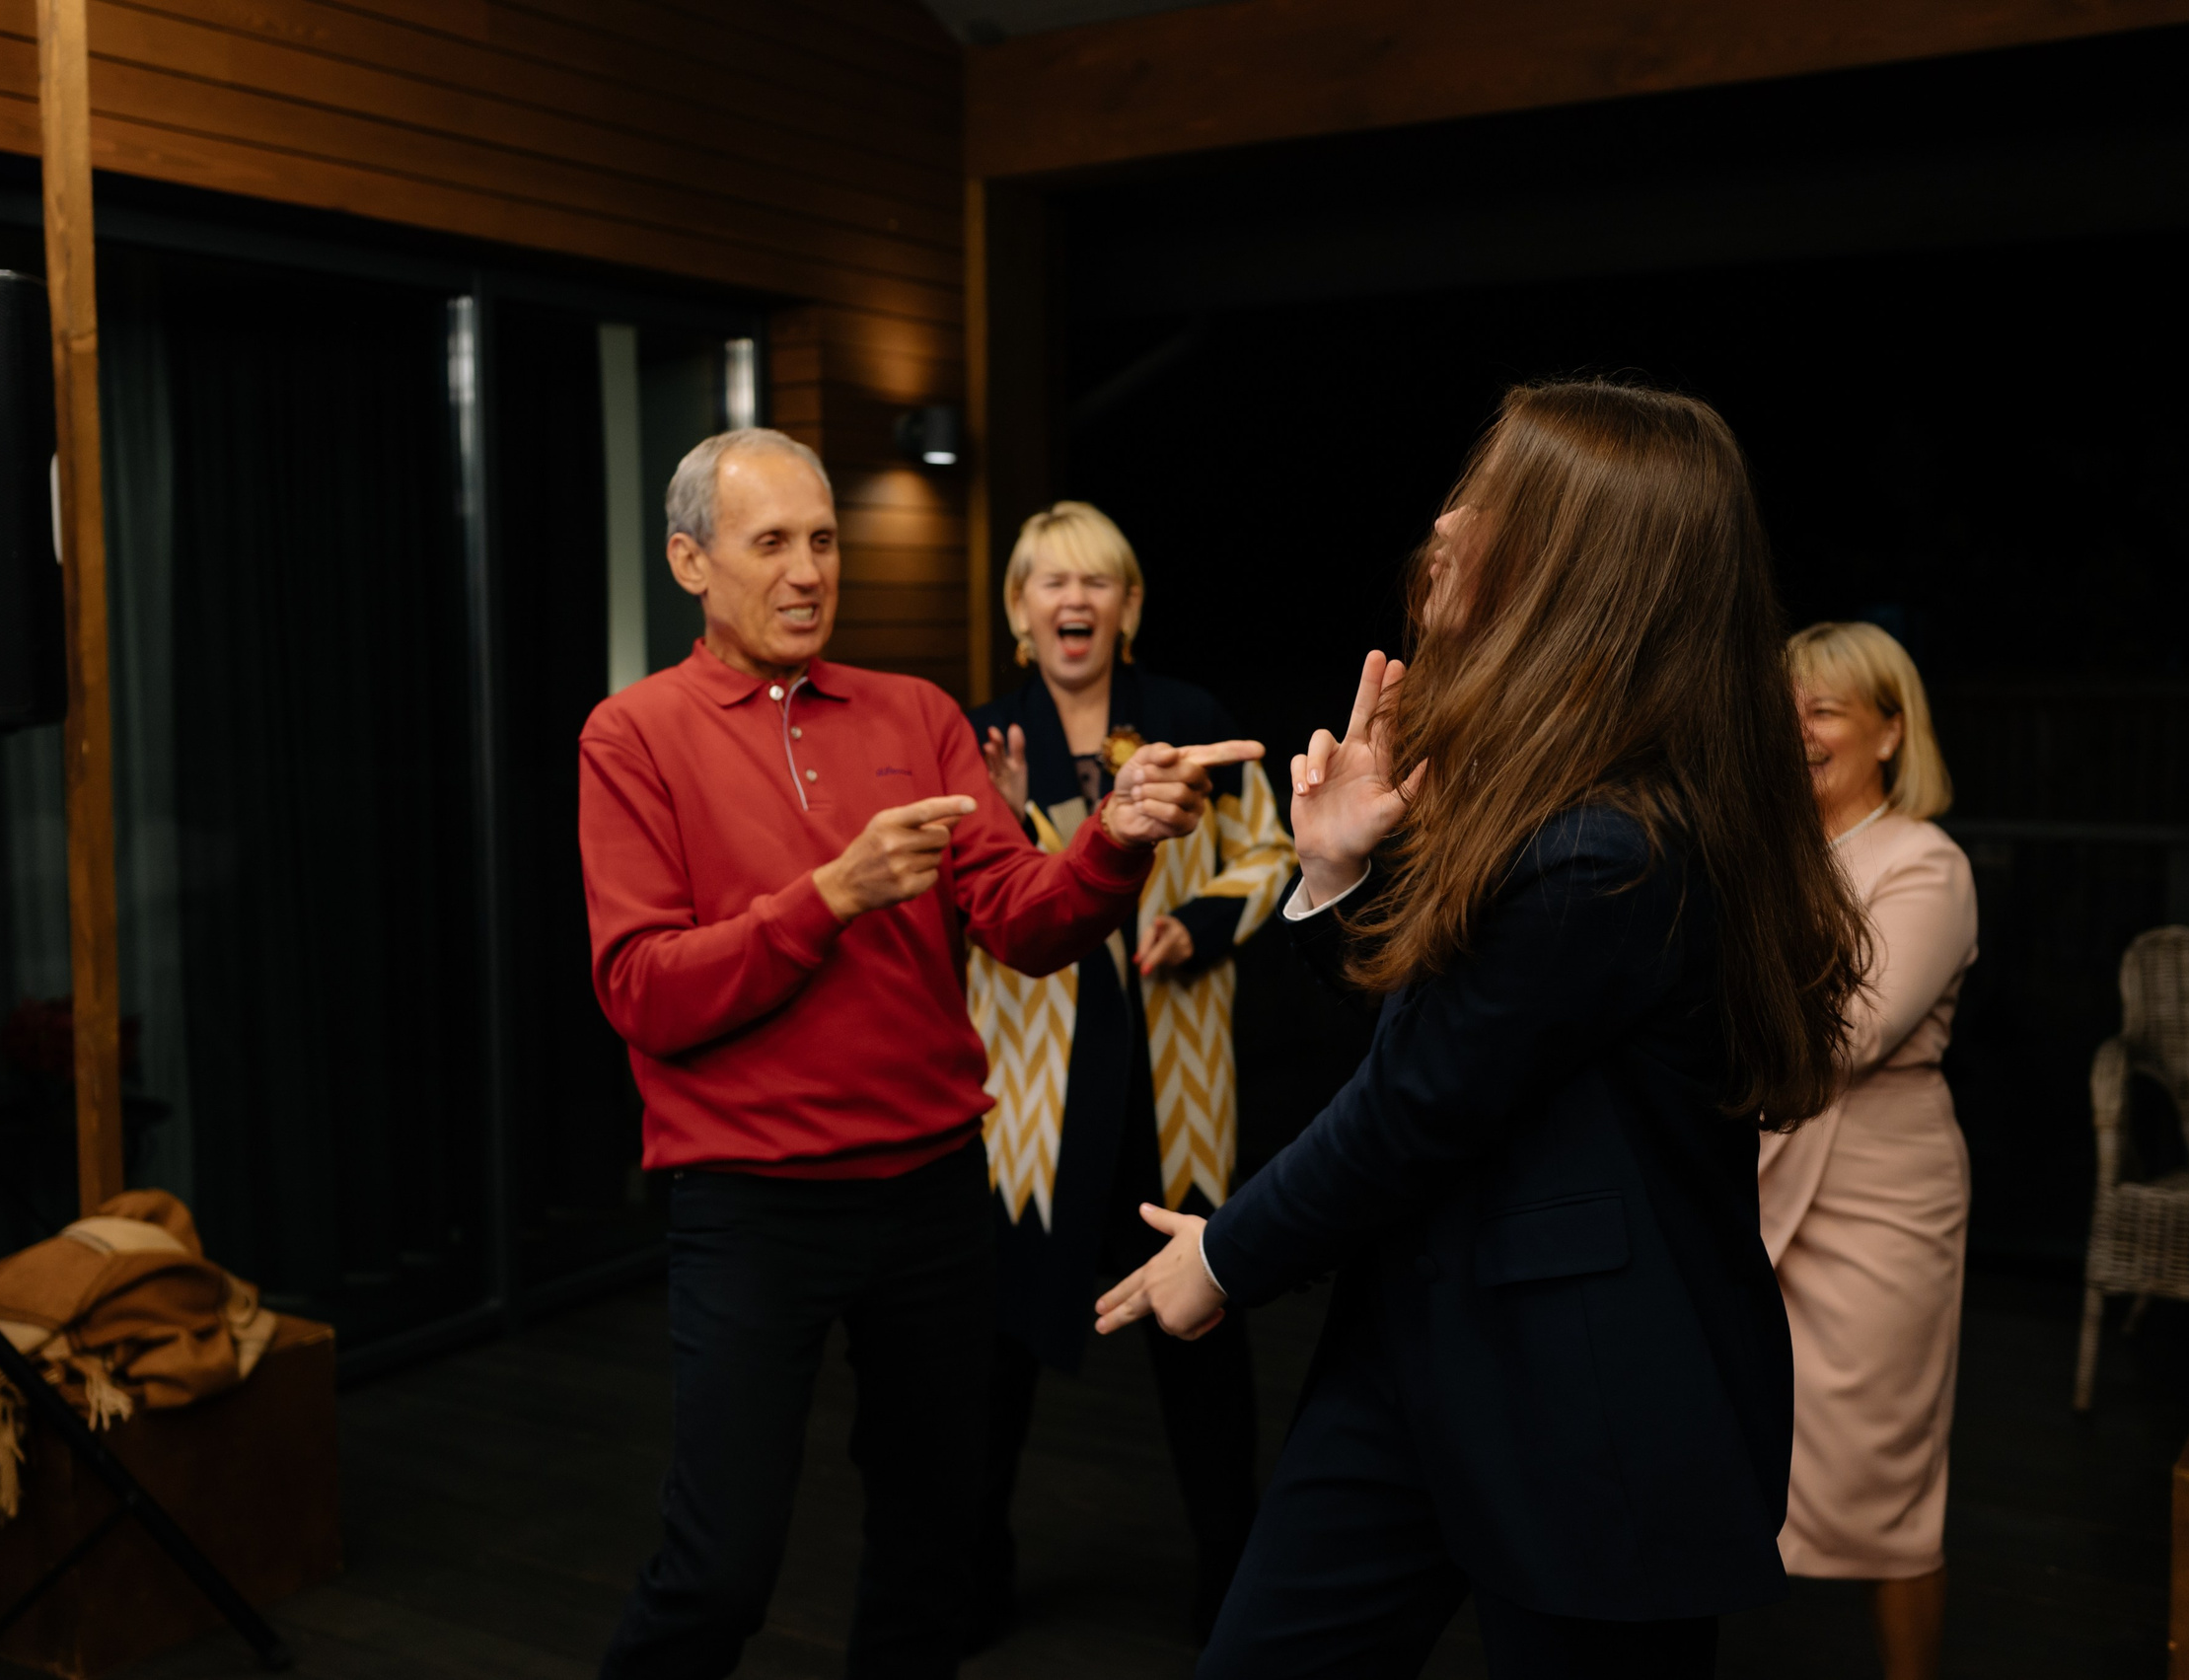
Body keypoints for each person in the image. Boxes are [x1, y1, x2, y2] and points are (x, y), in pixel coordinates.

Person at [1093, 380, 1871, 1678]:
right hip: (1416, 1353)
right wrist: (1344, 864)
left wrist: (1224, 1255)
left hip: (1590, 1401)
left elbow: (1417, 1105)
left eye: (1495, 498)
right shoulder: (1547, 800)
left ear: (1585, 562)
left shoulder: (1612, 847)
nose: (1449, 516)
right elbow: (1426, 1043)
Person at [576, 427, 1258, 1680]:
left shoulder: (916, 713)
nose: (805, 570)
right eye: (769, 541)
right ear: (689, 561)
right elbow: (642, 992)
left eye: (823, 540)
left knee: (932, 1550)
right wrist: (826, 895)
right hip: (754, 1202)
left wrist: (1115, 837)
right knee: (718, 1570)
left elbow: (1029, 922)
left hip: (938, 1196)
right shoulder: (633, 735)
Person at [962, 502, 1297, 1644]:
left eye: (1097, 581)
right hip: (1033, 1113)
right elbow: (967, 904)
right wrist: (1008, 826)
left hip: (1174, 1095)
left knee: (1205, 1361)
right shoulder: (980, 740)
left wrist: (1199, 923)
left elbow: (1276, 850)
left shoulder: (1187, 721)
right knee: (993, 1365)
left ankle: (1231, 1588)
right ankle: (974, 1579)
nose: (1075, 599)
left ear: (1127, 607)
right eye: (1050, 580)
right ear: (1019, 610)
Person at [1762, 621, 1977, 1680]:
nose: (1797, 729)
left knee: (1884, 1474)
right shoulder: (1766, 855)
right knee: (1736, 1446)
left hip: (1881, 1191)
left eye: (1825, 708)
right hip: (1753, 1172)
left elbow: (1846, 1034)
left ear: (1890, 730)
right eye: (1786, 705)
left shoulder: (1925, 863)